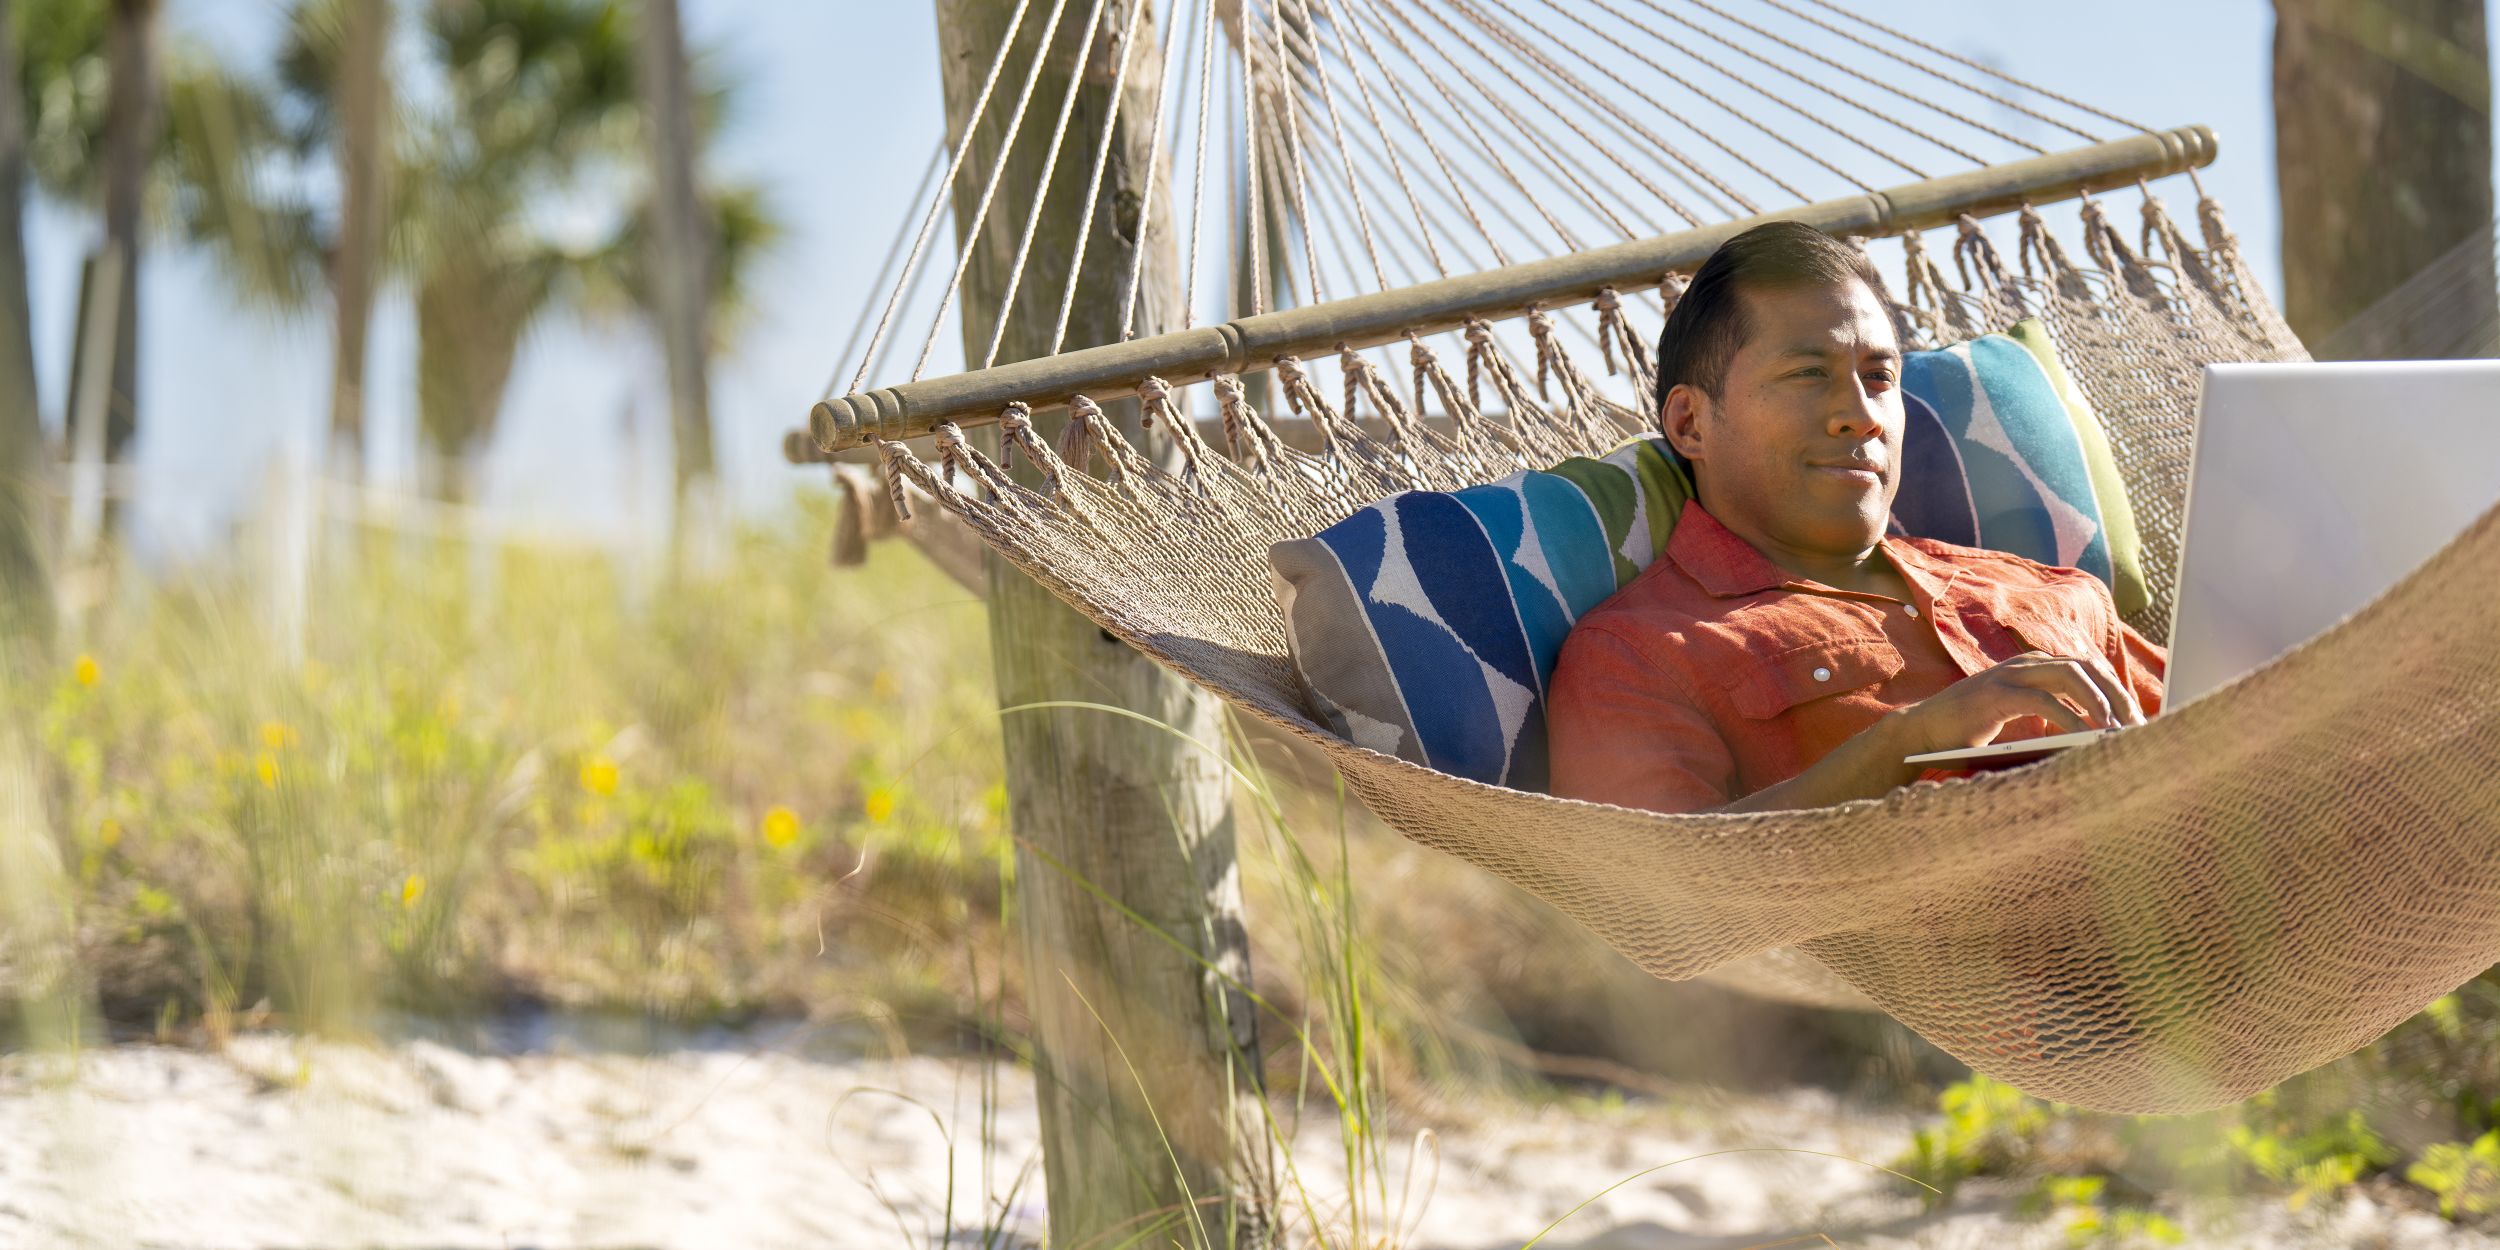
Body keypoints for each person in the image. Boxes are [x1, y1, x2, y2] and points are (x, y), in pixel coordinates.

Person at [1545, 221, 2167, 814]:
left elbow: (2228, 725)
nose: (1861, 413)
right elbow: (1665, 897)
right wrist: (1908, 745)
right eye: (1808, 373)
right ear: (1689, 423)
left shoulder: (2049, 590)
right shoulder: (1639, 654)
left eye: (1879, 376)